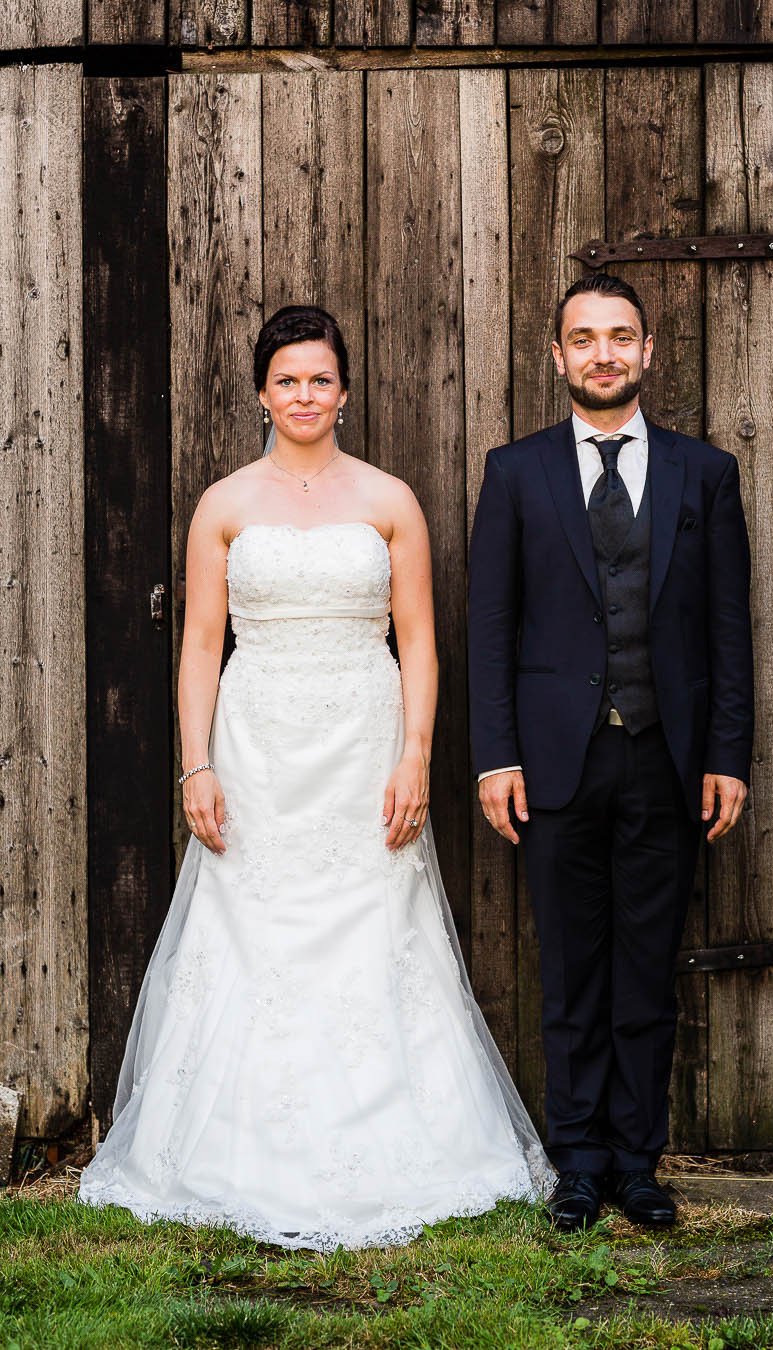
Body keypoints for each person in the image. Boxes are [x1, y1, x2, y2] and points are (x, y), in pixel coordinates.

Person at [80, 306, 550, 1249]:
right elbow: (200, 647)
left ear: (345, 390)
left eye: (320, 379)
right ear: (262, 391)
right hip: (254, 744)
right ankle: (229, 1148)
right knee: (250, 928)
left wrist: (414, 754)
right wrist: (197, 766)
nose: (304, 395)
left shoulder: (388, 500)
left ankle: (390, 1137)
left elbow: (418, 643)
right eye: (287, 380)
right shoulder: (224, 503)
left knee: (373, 926)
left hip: (362, 740)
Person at [467, 272, 753, 1231]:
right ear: (557, 356)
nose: (603, 353)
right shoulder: (515, 473)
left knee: (646, 969)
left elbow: (728, 633)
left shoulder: (703, 475)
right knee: (570, 971)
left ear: (647, 351)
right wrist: (495, 757)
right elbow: (492, 630)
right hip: (554, 764)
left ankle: (639, 1162)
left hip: (666, 760)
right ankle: (577, 1163)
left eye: (620, 337)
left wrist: (728, 755)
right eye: (583, 338)